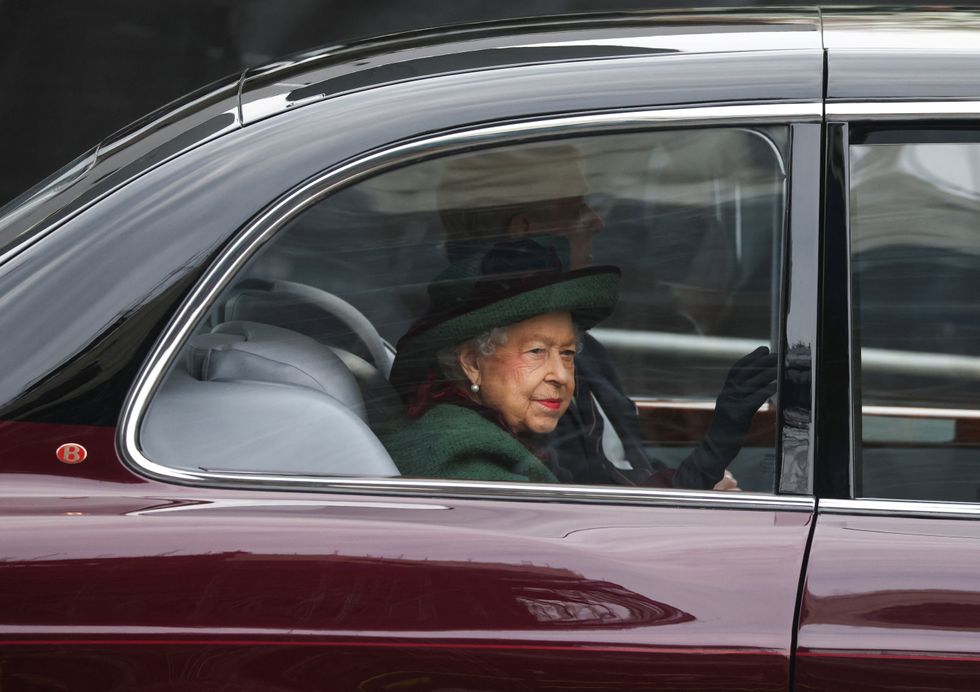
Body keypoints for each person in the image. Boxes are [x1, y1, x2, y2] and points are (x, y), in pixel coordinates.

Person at [434, 144, 776, 490]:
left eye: (566, 353)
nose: (597, 221)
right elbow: (593, 510)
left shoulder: (587, 352)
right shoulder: (492, 422)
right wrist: (714, 450)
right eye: (576, 207)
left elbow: (625, 472)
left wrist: (703, 476)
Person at [382, 239, 620, 482]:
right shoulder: (462, 456)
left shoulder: (502, 437)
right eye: (536, 351)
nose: (560, 376)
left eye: (567, 353)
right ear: (473, 363)